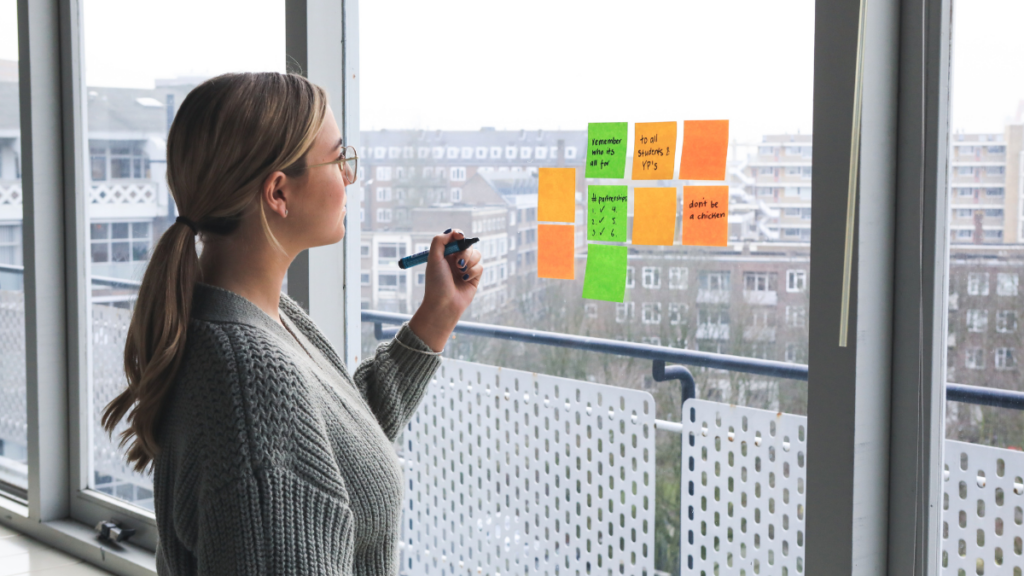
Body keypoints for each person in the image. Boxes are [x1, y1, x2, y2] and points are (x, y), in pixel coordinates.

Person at [101, 72, 481, 575]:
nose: (350, 176)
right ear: (279, 192)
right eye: (339, 158)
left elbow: (337, 451)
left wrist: (437, 315)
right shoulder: (250, 376)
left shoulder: (256, 319)